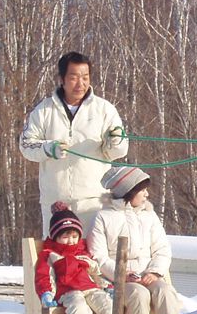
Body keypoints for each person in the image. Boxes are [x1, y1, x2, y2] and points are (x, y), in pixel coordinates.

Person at [19, 51, 129, 237]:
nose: (81, 84)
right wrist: (48, 149)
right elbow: (26, 146)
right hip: (56, 203)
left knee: (93, 258)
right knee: (57, 259)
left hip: (94, 201)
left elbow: (119, 150)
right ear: (62, 79)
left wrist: (115, 140)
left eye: (85, 77)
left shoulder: (104, 109)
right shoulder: (44, 110)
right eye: (74, 77)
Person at [88, 165, 185, 314]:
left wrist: (155, 271)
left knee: (165, 292)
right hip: (122, 279)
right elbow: (98, 256)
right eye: (142, 191)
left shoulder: (149, 216)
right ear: (128, 191)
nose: (146, 194)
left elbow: (162, 249)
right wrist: (122, 274)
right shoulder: (103, 218)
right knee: (138, 296)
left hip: (149, 273)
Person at [35, 202, 113, 314]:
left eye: (74, 236)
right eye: (65, 236)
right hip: (68, 292)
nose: (70, 240)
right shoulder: (51, 255)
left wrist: (106, 286)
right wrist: (47, 294)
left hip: (91, 289)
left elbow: (95, 273)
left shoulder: (82, 252)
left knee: (107, 306)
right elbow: (44, 276)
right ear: (55, 236)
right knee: (80, 310)